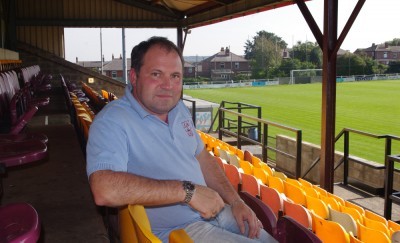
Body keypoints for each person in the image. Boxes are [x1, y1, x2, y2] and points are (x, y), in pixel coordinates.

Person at [86, 36, 277, 243]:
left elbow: (202, 158)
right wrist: (187, 192)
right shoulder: (113, 120)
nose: (168, 85)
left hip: (215, 212)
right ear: (134, 76)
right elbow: (103, 189)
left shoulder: (178, 109)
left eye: (175, 76)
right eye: (156, 74)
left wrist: (236, 201)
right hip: (178, 231)